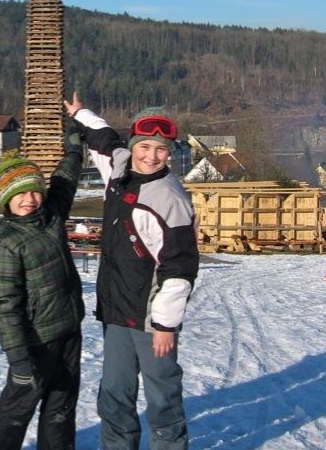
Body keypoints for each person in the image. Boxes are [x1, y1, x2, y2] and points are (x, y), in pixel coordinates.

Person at [64, 93, 199, 450]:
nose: (151, 156)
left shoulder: (171, 198)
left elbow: (180, 268)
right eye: (145, 146)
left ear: (170, 152)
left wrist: (165, 325)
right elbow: (104, 137)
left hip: (151, 320)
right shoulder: (122, 167)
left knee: (162, 399)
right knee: (114, 396)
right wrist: (80, 113)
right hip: (117, 313)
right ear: (134, 144)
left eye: (161, 149)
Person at [0, 128, 85, 450]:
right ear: (6, 198)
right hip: (35, 341)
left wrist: (74, 151)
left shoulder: (51, 215)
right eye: (19, 194)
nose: (28, 200)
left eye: (34, 192)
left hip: (68, 331)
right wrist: (17, 357)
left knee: (61, 406)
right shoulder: (5, 243)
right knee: (17, 408)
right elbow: (5, 305)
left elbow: (64, 181)